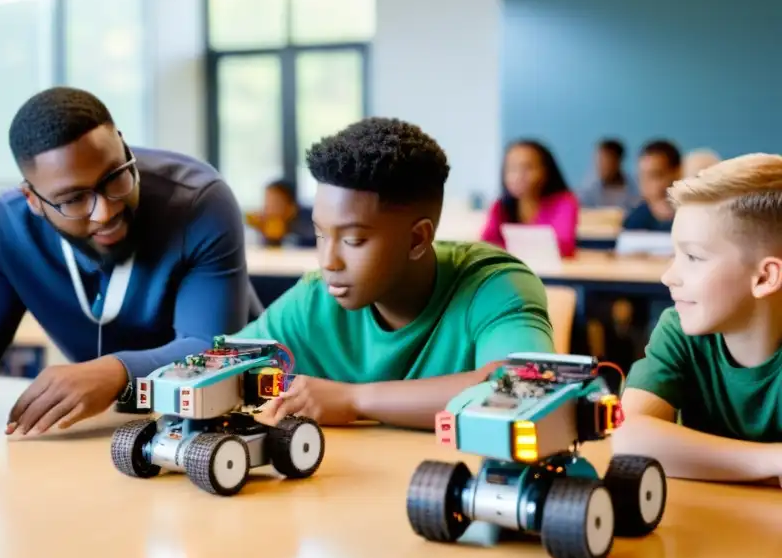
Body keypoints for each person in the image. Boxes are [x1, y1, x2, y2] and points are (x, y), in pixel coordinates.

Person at [0, 87, 252, 434]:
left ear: (123, 144)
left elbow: (212, 349)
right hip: (116, 434)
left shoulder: (199, 201)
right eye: (73, 200)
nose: (106, 212)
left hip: (231, 418)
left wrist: (115, 372)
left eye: (115, 176)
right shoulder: (6, 227)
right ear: (33, 199)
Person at [231, 117, 556, 431]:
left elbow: (526, 386)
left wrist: (352, 400)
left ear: (417, 239)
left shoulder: (495, 285)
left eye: (353, 240)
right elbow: (223, 366)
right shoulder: (314, 298)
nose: (328, 261)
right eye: (320, 234)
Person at [613, 153, 782, 484]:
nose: (669, 276)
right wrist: (774, 461)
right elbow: (628, 438)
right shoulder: (680, 329)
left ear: (764, 278)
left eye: (693, 256)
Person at [480, 139, 579, 257]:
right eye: (511, 168)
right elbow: (485, 245)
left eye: (528, 168)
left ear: (546, 171)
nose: (518, 176)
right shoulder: (500, 206)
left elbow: (563, 246)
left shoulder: (564, 202)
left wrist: (506, 248)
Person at [621, 139, 682, 233]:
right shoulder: (635, 220)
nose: (646, 184)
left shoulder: (692, 218)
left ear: (677, 173)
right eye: (642, 177)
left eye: (655, 175)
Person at [245, 179, 316, 247]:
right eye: (267, 202)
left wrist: (281, 235)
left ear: (291, 208)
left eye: (274, 203)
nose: (268, 210)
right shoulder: (266, 225)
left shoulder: (309, 224)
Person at [578, 138, 639, 210]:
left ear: (618, 161)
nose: (600, 167)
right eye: (599, 161)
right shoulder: (588, 191)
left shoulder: (636, 188)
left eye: (606, 162)